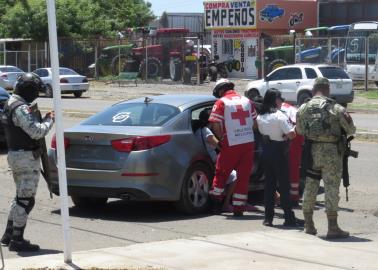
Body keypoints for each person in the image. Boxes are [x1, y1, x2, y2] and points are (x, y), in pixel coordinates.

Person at [0, 73, 55, 252]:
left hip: (17, 155)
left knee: (20, 197)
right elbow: (36, 132)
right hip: (25, 158)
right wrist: (49, 120)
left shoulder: (9, 103)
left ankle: (8, 234)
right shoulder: (20, 107)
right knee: (26, 200)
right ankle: (17, 239)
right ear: (28, 89)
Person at [296, 77, 356, 238]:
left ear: (314, 89)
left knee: (310, 186)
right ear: (328, 89)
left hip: (311, 152)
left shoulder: (303, 107)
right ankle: (332, 227)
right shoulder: (336, 108)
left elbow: (299, 131)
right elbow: (351, 129)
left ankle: (308, 225)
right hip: (331, 153)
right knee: (331, 187)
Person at [208, 78, 257, 216]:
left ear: (221, 90)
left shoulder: (221, 102)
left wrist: (221, 139)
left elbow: (215, 124)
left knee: (221, 173)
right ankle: (239, 208)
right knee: (243, 177)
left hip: (231, 143)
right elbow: (255, 124)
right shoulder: (248, 101)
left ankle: (216, 205)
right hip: (248, 143)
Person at [257, 89, 301, 227]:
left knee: (269, 186)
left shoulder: (260, 117)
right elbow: (291, 135)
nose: (281, 101)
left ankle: (268, 218)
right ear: (274, 100)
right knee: (284, 186)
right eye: (279, 98)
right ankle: (288, 217)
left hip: (266, 151)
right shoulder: (279, 116)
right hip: (279, 151)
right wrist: (296, 127)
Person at [194, 108, 237, 212]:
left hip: (206, 160)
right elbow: (219, 146)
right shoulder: (206, 131)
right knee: (235, 175)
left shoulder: (197, 130)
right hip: (213, 161)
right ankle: (226, 203)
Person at [275, 93, 304, 206]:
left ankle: (291, 197)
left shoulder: (282, 109)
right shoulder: (290, 107)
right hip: (296, 137)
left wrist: (286, 137)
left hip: (292, 138)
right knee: (293, 168)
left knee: (290, 168)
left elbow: (293, 125)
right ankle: (294, 196)